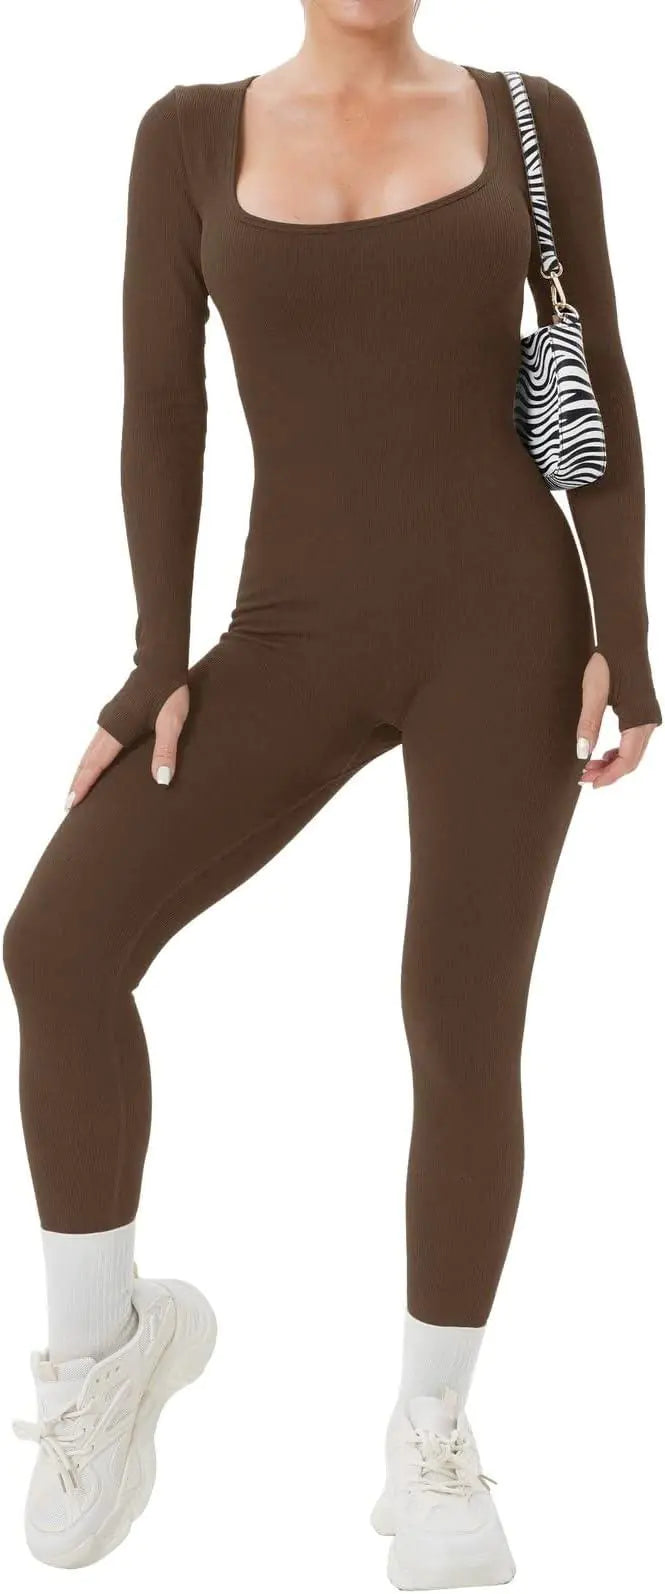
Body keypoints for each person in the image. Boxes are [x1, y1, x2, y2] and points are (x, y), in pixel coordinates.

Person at [4, 1, 660, 1585]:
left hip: (506, 630)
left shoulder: (527, 114)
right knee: (58, 945)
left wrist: (624, 637)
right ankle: (105, 1354)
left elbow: (589, 378)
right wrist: (157, 659)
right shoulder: (185, 135)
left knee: (457, 1015)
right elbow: (163, 405)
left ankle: (428, 1437)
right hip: (286, 634)